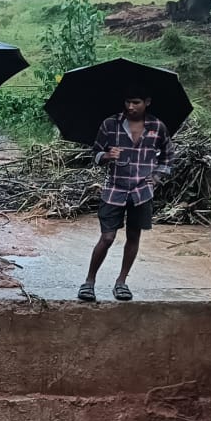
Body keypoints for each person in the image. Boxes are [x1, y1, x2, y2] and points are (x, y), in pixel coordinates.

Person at [78, 86, 174, 302]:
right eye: (128, 102)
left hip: (142, 192)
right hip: (114, 189)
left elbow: (168, 156)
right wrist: (106, 156)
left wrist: (157, 177)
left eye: (136, 102)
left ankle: (121, 282)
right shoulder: (110, 124)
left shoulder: (157, 127)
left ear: (147, 102)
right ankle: (89, 281)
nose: (131, 107)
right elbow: (95, 153)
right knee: (107, 237)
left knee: (133, 236)